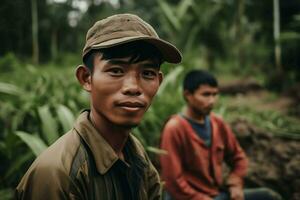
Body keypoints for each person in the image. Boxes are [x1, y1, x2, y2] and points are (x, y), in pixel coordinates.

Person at [15, 13, 182, 200]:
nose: (133, 87)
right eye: (116, 71)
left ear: (159, 81)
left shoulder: (136, 155)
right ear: (86, 78)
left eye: (148, 73)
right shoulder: (58, 174)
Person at [159, 70, 282, 200]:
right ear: (188, 95)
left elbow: (238, 158)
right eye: (206, 95)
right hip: (188, 198)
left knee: (268, 196)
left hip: (214, 195)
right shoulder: (175, 128)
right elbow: (174, 182)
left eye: (215, 94)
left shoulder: (217, 123)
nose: (212, 100)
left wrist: (235, 184)